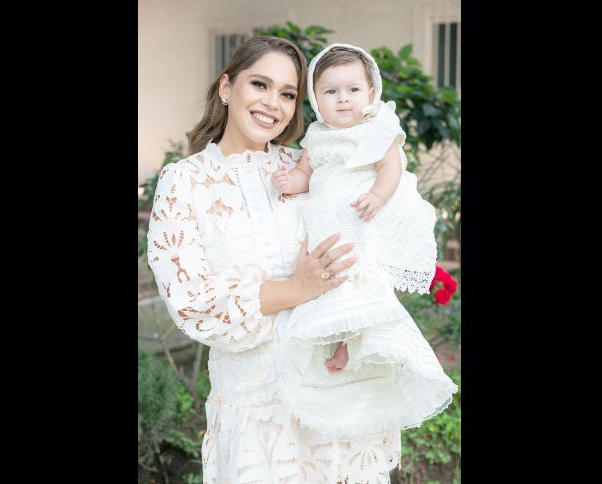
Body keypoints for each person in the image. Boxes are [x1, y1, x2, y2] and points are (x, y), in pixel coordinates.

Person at [146, 36, 401, 483]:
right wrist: (297, 289)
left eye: (287, 93)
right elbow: (193, 304)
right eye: (259, 84)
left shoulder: (313, 165)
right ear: (226, 88)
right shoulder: (185, 182)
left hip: (334, 398)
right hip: (255, 416)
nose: (273, 104)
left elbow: (367, 242)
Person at [271, 43, 458, 440]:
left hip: (361, 213)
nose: (343, 99)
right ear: (316, 100)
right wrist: (293, 181)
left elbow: (390, 169)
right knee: (333, 284)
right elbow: (307, 173)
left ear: (370, 94)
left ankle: (356, 344)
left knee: (362, 282)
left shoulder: (378, 130)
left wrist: (377, 196)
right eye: (331, 92)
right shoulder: (315, 138)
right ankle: (340, 341)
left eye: (353, 90)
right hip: (327, 219)